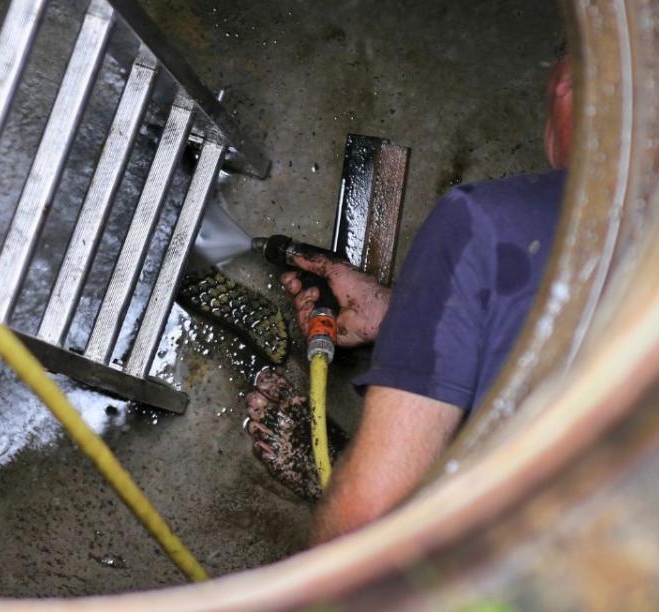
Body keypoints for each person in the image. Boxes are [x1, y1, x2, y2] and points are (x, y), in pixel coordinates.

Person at [245, 55, 574, 545]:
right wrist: (408, 319)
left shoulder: (484, 221)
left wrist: (352, 492)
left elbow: (361, 525)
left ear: (563, 84)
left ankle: (347, 475)